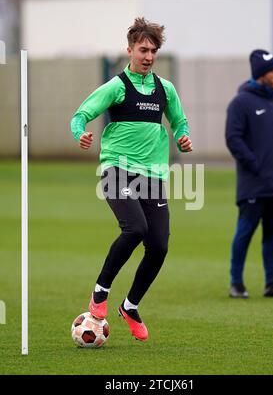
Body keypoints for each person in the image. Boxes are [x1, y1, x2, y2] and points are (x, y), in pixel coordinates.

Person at [70, 17, 192, 341]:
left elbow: (180, 123)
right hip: (117, 169)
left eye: (153, 51)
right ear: (130, 50)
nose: (149, 56)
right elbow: (80, 114)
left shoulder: (166, 90)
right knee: (135, 228)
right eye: (143, 50)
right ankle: (100, 292)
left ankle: (131, 306)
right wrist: (80, 132)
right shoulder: (117, 86)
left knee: (159, 245)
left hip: (152, 175)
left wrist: (183, 137)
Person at [225, 49, 273, 299]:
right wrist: (256, 165)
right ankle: (236, 282)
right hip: (253, 184)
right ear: (261, 74)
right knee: (245, 231)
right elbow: (233, 139)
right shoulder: (240, 103)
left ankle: (271, 283)